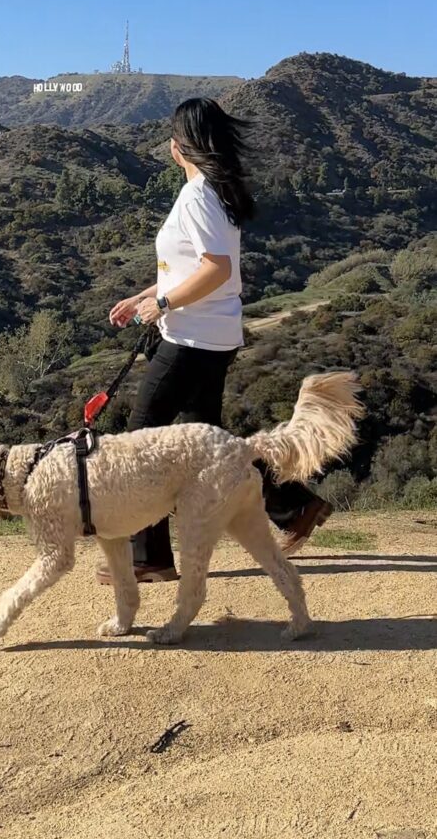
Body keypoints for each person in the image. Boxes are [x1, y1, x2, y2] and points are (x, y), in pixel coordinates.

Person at [96, 97, 332, 585]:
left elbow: (217, 269)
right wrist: (143, 295)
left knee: (144, 439)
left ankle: (150, 558)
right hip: (210, 334)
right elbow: (191, 269)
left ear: (180, 146)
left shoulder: (199, 197)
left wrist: (162, 306)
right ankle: (293, 507)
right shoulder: (215, 194)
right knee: (211, 442)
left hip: (191, 337)